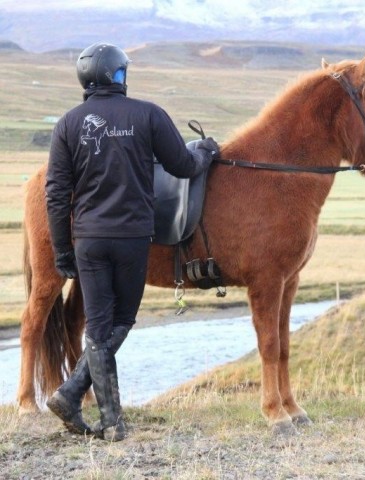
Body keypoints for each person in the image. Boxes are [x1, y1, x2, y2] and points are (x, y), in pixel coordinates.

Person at [45, 42, 218, 442]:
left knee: (100, 325)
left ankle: (82, 402)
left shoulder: (68, 124)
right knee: (120, 322)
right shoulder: (148, 114)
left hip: (88, 240)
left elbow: (55, 194)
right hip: (132, 238)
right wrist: (207, 150)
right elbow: (184, 165)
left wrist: (61, 250)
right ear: (117, 75)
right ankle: (102, 415)